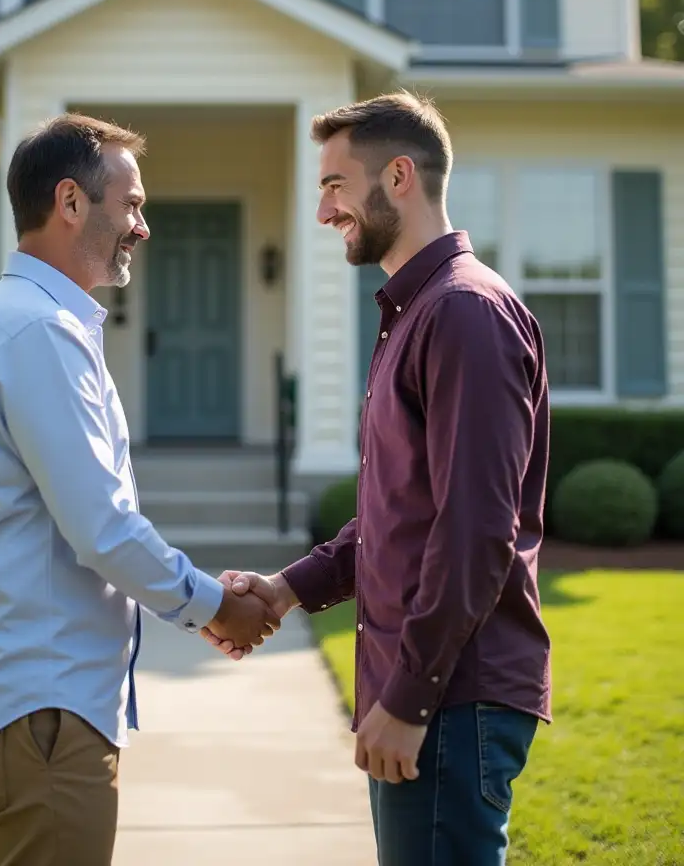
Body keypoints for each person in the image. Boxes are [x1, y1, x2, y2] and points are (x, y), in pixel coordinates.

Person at [208, 92, 551, 866]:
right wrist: (287, 588)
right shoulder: (418, 312)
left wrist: (409, 697)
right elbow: (398, 515)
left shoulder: (463, 314)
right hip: (430, 693)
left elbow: (474, 533)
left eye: (334, 185)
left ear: (398, 177)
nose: (325, 211)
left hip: (451, 699)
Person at [0, 113, 279, 866]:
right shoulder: (38, 335)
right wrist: (217, 606)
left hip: (24, 712)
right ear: (70, 203)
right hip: (41, 719)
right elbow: (105, 529)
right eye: (132, 204)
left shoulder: (9, 323)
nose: (143, 227)